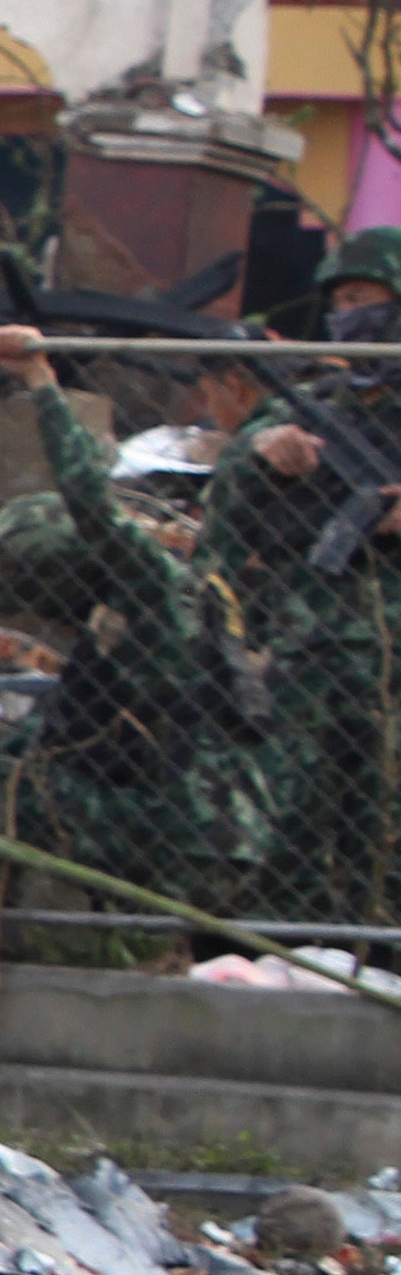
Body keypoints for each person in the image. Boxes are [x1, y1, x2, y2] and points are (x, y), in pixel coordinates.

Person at [0, 319, 284, 909]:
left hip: (183, 841)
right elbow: (55, 734)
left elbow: (87, 494)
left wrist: (40, 380)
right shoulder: (192, 599)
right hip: (233, 844)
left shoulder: (153, 586)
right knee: (21, 771)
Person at [190, 234, 401, 916]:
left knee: (385, 826)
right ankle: (298, 955)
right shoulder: (318, 406)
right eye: (340, 300)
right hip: (310, 651)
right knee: (298, 824)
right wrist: (261, 451)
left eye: (365, 298)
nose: (349, 312)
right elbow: (225, 509)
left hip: (391, 654)